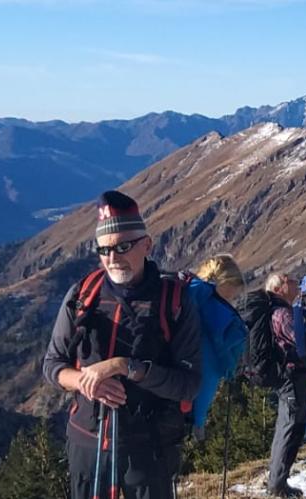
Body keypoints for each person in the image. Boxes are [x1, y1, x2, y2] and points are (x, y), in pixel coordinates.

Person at [43, 190, 203, 499]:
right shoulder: (82, 295)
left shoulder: (174, 300)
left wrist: (126, 367)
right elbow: (53, 365)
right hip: (86, 445)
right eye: (103, 250)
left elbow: (188, 385)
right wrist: (86, 381)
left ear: (147, 245)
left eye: (123, 247)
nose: (112, 258)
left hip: (148, 449)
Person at [250, 273, 306, 498]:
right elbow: (300, 341)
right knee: (291, 428)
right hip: (292, 376)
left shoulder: (276, 311)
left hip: (287, 375)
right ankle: (277, 485)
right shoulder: (282, 314)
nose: (297, 282)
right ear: (280, 288)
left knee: (288, 426)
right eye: (291, 280)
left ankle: (278, 481)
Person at [187, 254, 249, 432]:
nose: (231, 302)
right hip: (188, 407)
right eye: (231, 297)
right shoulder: (218, 320)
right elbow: (209, 373)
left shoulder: (187, 297)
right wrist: (199, 420)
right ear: (224, 284)